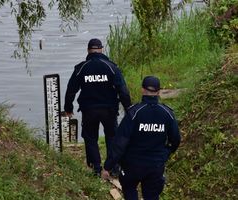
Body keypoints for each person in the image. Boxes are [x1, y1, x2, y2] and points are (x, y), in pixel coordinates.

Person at [102, 76, 181, 200]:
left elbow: (120, 142)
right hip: (155, 166)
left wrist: (108, 166)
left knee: (129, 190)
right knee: (152, 195)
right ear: (159, 92)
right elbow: (175, 140)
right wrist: (165, 154)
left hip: (132, 165)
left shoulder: (134, 113)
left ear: (142, 90)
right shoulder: (167, 114)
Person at [64, 38, 132, 176]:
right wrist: (129, 109)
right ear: (101, 49)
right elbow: (123, 90)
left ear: (88, 50)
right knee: (112, 136)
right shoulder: (112, 67)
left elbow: (71, 90)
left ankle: (96, 167)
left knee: (90, 137)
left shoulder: (81, 68)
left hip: (89, 110)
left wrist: (68, 108)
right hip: (109, 109)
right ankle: (113, 168)